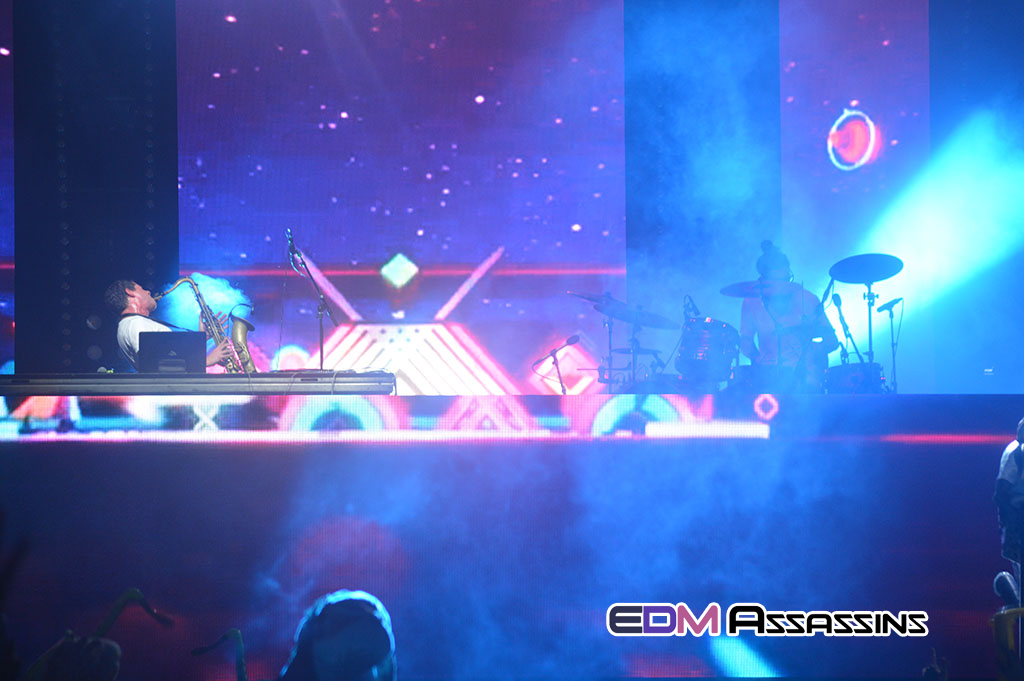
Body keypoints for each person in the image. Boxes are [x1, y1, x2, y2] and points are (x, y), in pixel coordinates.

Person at [738, 241, 839, 392]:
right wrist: (757, 360)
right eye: (771, 283)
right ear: (762, 279)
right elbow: (745, 340)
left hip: (806, 378)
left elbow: (832, 341)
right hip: (769, 377)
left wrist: (812, 352)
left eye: (781, 283)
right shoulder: (751, 302)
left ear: (788, 274)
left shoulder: (808, 299)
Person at [103, 279, 230, 371]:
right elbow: (158, 365)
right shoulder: (136, 323)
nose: (148, 292)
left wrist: (202, 337)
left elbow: (172, 356)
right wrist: (207, 361)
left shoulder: (131, 323)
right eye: (142, 289)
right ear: (130, 293)